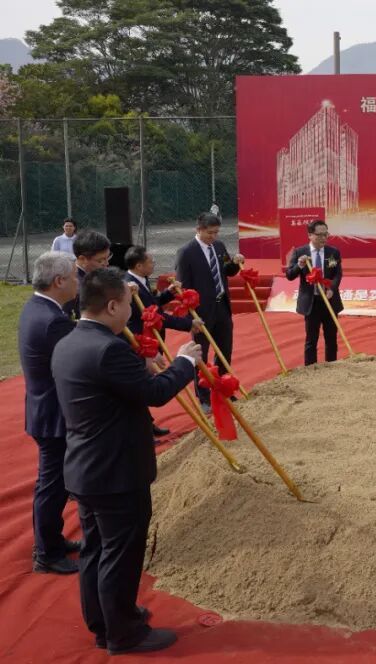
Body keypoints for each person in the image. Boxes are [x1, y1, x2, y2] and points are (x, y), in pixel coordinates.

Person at [52, 268, 200, 654]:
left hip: (87, 467)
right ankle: (124, 633)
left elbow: (120, 390)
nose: (131, 313)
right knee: (121, 553)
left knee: (96, 549)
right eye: (127, 305)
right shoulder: (109, 349)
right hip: (116, 471)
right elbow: (155, 393)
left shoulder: (70, 341)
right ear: (112, 306)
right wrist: (185, 362)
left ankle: (105, 620)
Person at [18, 251, 80, 574]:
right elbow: (76, 360)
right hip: (53, 414)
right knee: (52, 485)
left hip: (44, 409)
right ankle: (47, 553)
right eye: (74, 277)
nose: (78, 283)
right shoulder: (53, 320)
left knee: (55, 483)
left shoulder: (37, 307)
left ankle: (52, 540)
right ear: (58, 281)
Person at [125, 245, 199, 439]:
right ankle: (143, 428)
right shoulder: (129, 286)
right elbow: (156, 316)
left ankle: (147, 423)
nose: (154, 265)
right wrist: (188, 324)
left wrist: (169, 293)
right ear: (139, 265)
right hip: (141, 343)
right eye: (151, 262)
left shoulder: (140, 281)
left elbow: (153, 304)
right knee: (142, 384)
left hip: (151, 340)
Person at [175, 212, 243, 409]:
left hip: (222, 306)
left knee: (224, 350)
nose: (213, 236)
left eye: (216, 232)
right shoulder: (186, 252)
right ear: (199, 230)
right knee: (201, 354)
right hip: (201, 312)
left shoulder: (219, 246)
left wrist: (235, 263)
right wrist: (191, 316)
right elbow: (183, 287)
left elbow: (227, 271)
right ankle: (204, 396)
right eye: (210, 233)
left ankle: (224, 388)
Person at [285, 220, 344, 365]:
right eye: (319, 235)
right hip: (312, 303)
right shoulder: (300, 252)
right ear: (310, 235)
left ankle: (332, 367)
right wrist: (299, 265)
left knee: (331, 338)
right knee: (311, 339)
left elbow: (337, 274)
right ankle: (310, 370)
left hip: (329, 300)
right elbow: (290, 275)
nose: (323, 238)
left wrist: (332, 289)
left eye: (326, 234)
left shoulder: (332, 252)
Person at [63, 230, 111, 319]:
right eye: (101, 260)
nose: (106, 263)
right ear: (82, 259)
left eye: (108, 258)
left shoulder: (92, 275)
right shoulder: (76, 288)